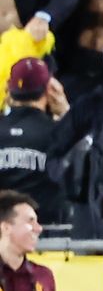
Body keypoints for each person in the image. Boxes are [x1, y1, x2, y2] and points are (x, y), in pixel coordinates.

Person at [0, 58, 69, 223]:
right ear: (49, 90)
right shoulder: (59, 132)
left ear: (9, 87)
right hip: (46, 233)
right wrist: (67, 114)